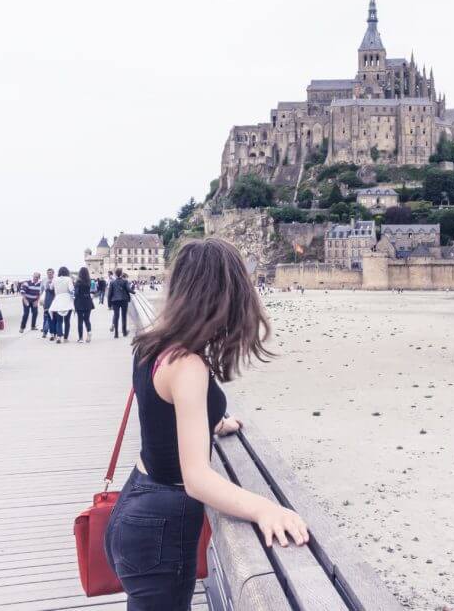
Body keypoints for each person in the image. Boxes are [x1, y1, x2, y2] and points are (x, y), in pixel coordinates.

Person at [104, 238, 307, 608]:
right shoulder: (188, 365)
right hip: (160, 528)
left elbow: (159, 412)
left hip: (137, 501)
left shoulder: (155, 343)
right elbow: (197, 479)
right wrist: (264, 508)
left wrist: (212, 422)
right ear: (223, 296)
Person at [50, 266, 75, 344]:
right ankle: (65, 338)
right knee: (67, 321)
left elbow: (51, 288)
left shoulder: (55, 279)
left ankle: (59, 337)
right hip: (67, 300)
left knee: (59, 320)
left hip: (58, 300)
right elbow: (71, 289)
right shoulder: (68, 279)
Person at [108, 268, 134, 338]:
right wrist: (134, 292)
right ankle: (124, 332)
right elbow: (128, 289)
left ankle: (116, 333)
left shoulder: (112, 282)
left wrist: (109, 304)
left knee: (116, 316)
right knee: (124, 316)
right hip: (124, 300)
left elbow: (109, 294)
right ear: (121, 274)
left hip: (115, 301)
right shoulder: (125, 281)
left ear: (115, 274)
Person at [74, 266, 95, 343]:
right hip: (88, 301)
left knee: (80, 320)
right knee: (87, 319)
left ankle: (80, 338)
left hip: (80, 302)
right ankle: (89, 332)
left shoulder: (78, 282)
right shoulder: (89, 281)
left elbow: (76, 293)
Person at [40, 268, 56, 338]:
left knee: (53, 317)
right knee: (46, 316)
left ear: (53, 273)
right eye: (48, 273)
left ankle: (53, 332)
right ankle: (45, 332)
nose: (49, 274)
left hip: (54, 300)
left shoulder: (56, 280)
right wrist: (40, 299)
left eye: (50, 273)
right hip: (46, 300)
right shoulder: (44, 280)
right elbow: (41, 291)